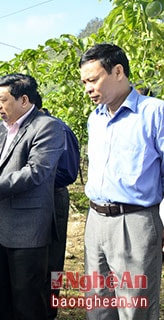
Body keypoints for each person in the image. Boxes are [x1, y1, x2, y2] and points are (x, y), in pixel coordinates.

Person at [0, 73, 65, 320]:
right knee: (2, 294)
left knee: (27, 298)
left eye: (2, 99)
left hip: (28, 230)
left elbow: (36, 172)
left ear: (24, 100)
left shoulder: (47, 127)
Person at [79, 43, 164, 320]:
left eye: (93, 80)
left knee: (135, 306)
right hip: (96, 220)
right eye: (84, 82)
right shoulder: (96, 118)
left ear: (118, 71)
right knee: (98, 304)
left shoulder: (154, 113)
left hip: (135, 222)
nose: (88, 88)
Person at [36, 97, 80, 319]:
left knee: (52, 256)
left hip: (53, 196)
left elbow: (69, 172)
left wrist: (34, 177)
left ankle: (49, 309)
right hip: (30, 199)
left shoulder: (59, 129)